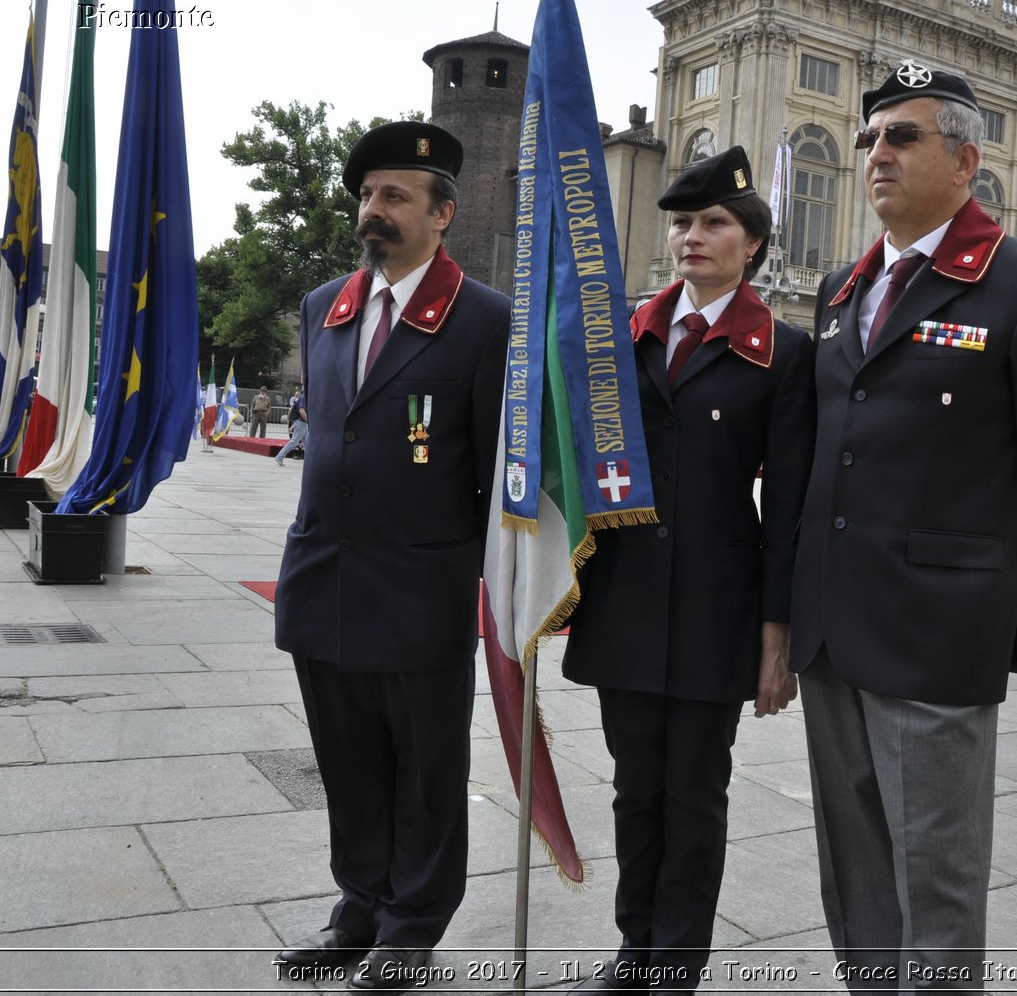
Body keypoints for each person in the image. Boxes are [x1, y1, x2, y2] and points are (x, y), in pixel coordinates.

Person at [790, 61, 1017, 991]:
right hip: (832, 633)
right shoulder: (841, 290)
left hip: (935, 637)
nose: (876, 154)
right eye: (869, 139)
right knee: (853, 876)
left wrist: (983, 573)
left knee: (934, 878)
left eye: (903, 136)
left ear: (967, 161)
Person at [561, 146, 815, 993]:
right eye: (681, 222)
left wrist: (777, 635)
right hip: (625, 600)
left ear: (752, 245)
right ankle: (636, 946)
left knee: (696, 793)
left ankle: (676, 962)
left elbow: (785, 510)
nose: (691, 236)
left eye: (714, 223)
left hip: (717, 607)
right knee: (636, 789)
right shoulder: (620, 340)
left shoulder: (781, 352)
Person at [272, 121, 509, 990]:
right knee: (349, 760)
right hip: (323, 577)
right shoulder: (326, 304)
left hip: (421, 587)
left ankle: (413, 923)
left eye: (395, 196)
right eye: (367, 195)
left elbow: (493, 471)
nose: (374, 210)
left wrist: (502, 587)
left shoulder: (483, 320)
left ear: (442, 213)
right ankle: (359, 906)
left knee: (427, 769)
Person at [274, 386, 308, 465]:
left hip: (301, 424)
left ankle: (310, 460)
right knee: (294, 442)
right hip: (301, 423)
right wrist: (308, 421)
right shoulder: (304, 398)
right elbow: (301, 411)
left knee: (307, 443)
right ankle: (279, 456)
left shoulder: (302, 397)